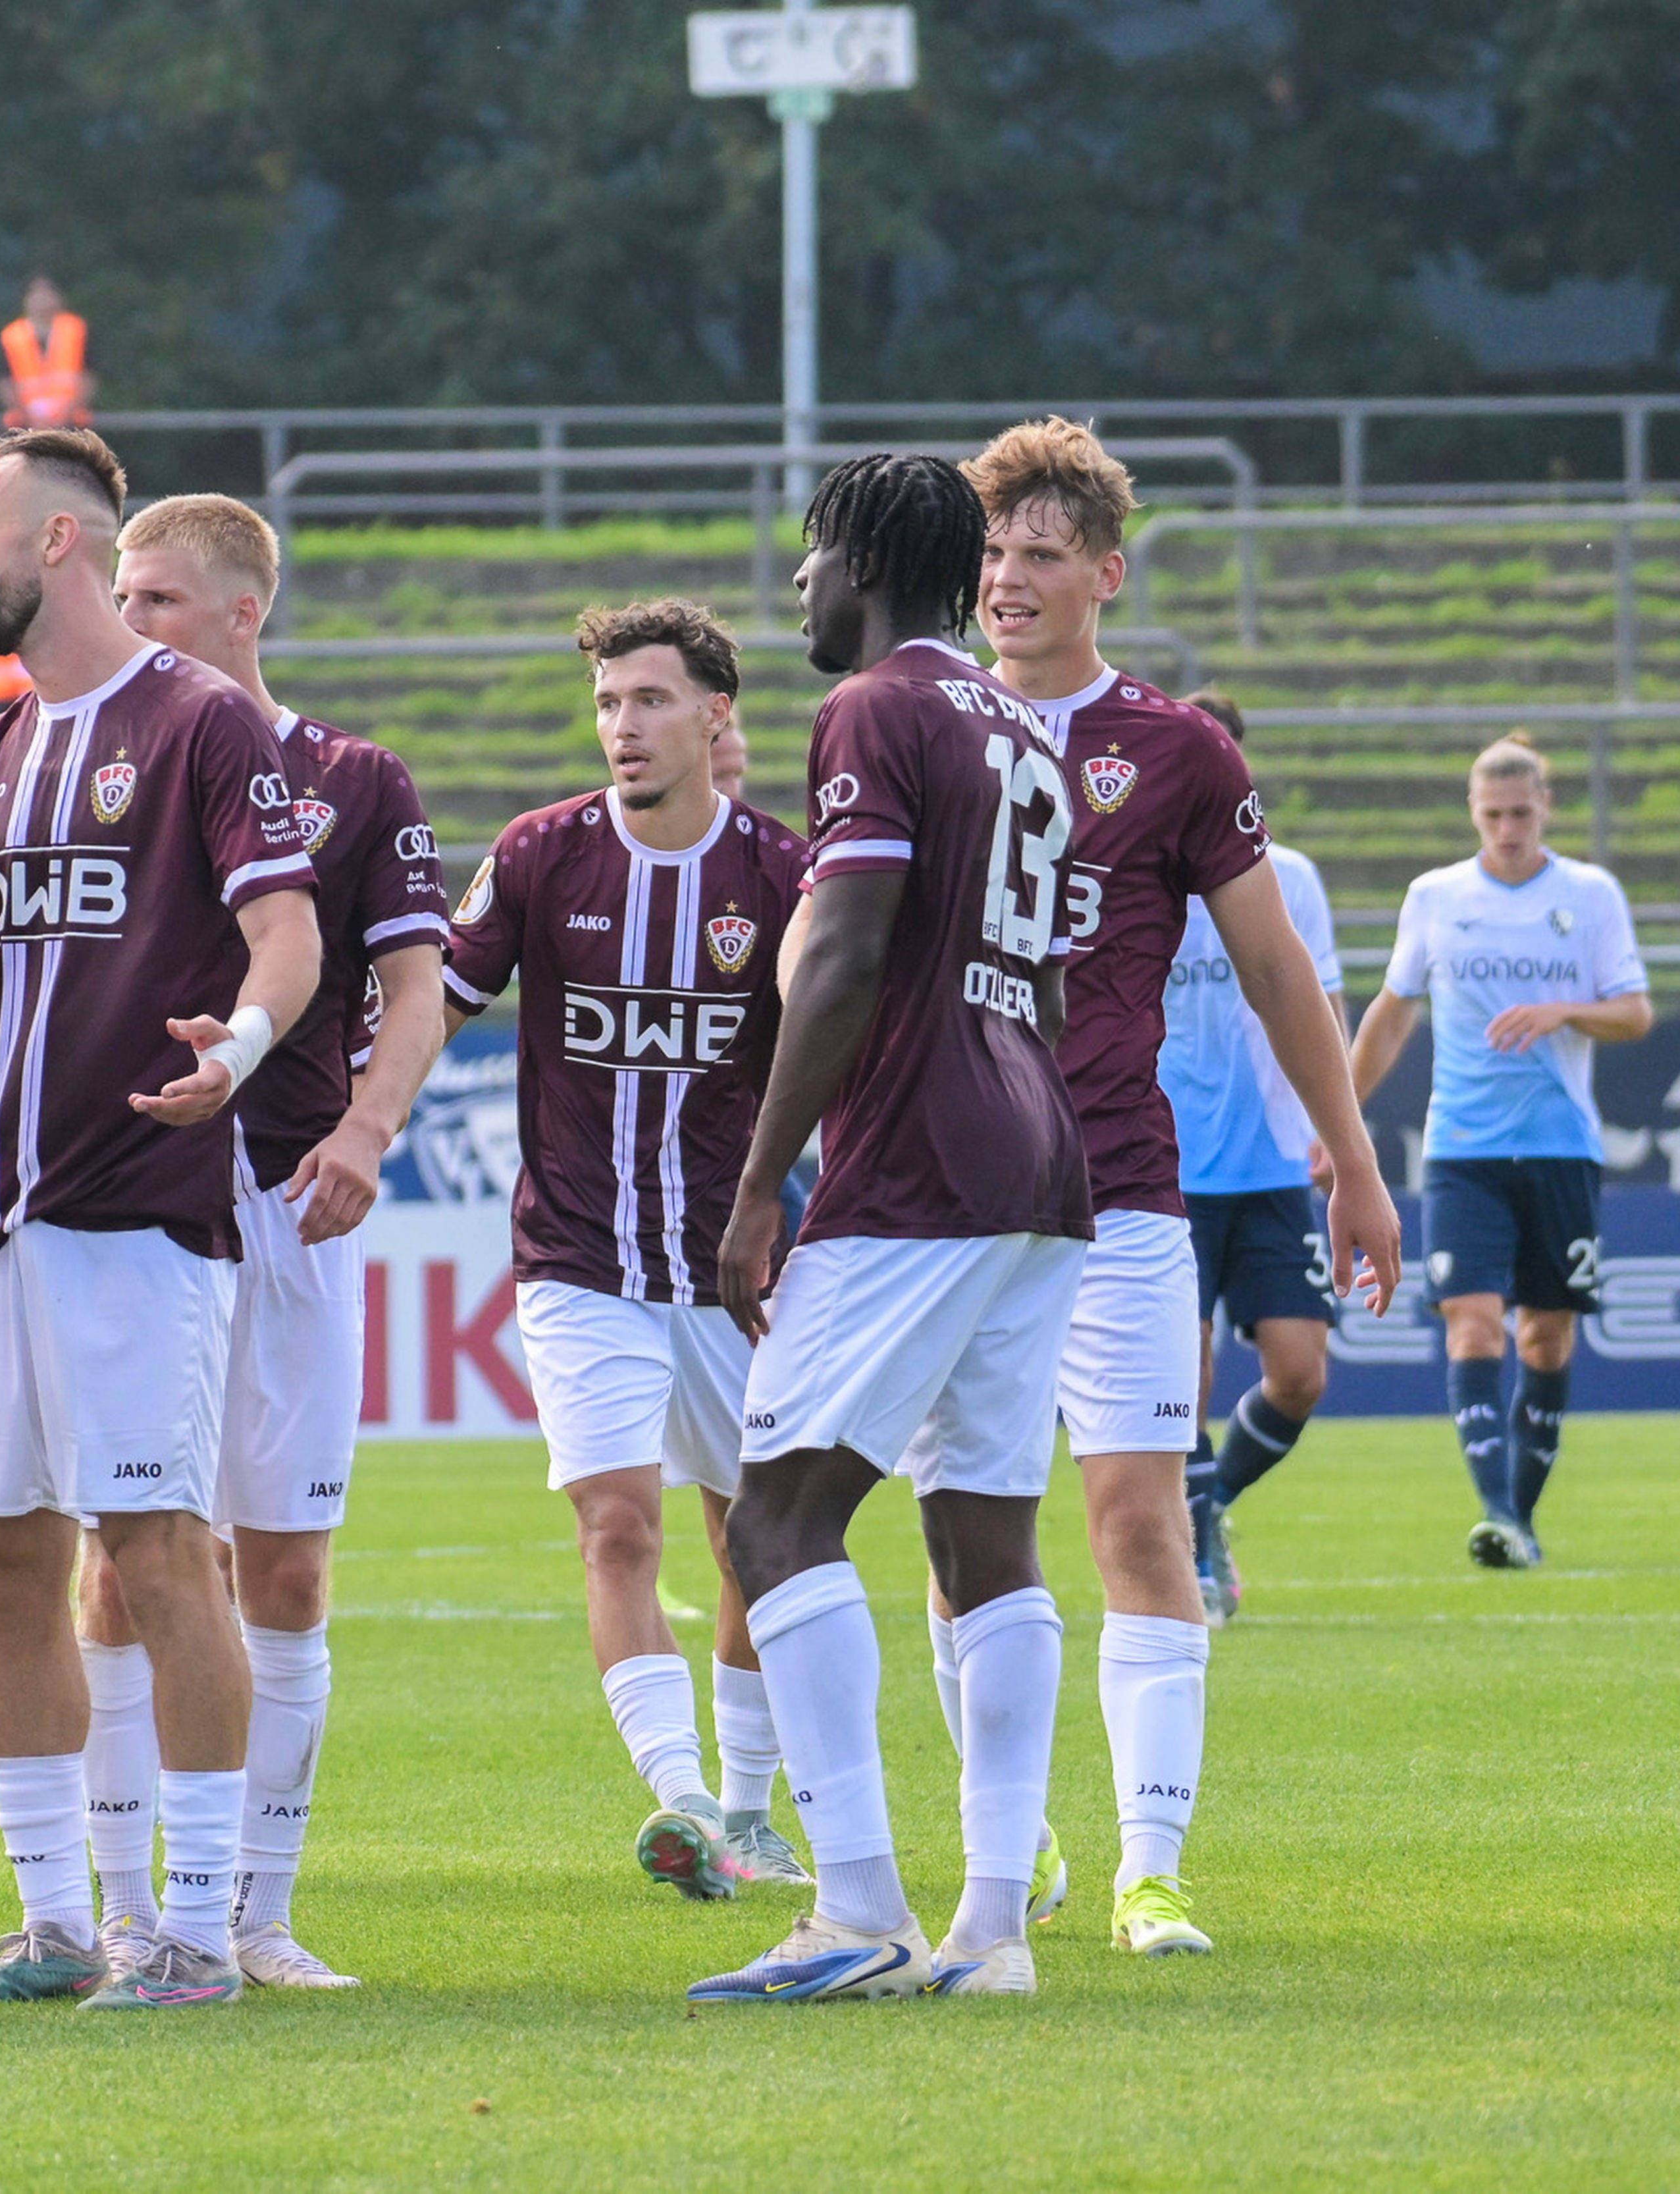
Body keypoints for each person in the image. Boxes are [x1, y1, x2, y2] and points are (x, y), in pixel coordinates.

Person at [957, 418, 1400, 1960]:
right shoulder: (917, 726)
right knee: (972, 1536)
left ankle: (1153, 1872)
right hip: (944, 1202)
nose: (1007, 579)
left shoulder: (1174, 751)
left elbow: (1278, 971)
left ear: (1104, 573)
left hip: (1124, 1197)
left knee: (1139, 1522)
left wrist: (1349, 1161)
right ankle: (1008, 1851)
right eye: (992, 552)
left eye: (1038, 554)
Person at [0, 427, 321, 2014]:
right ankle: (58, 1922)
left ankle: (200, 1936)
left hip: (141, 1214)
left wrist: (244, 1043)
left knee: (159, 1553)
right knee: (4, 1558)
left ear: (62, 542)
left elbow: (280, 934)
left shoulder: (204, 727)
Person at [689, 452, 1089, 2006]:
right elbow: (1047, 980)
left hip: (919, 1160)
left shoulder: (875, 711)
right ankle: (991, 1928)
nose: (797, 587)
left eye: (807, 556)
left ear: (859, 555)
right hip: (1037, 1154)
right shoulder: (1017, 725)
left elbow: (845, 952)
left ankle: (852, 1906)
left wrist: (754, 1184)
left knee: (774, 1520)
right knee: (983, 1532)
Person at [72, 493, 452, 1989]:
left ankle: (252, 1915)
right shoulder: (96, 770)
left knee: (284, 1570)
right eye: (120, 593)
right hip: (129, 1201)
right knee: (122, 1562)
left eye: (156, 598)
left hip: (292, 1200)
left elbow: (415, 988)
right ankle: (116, 1913)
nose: (130, 619)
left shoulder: (355, 780)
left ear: (243, 611)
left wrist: (364, 1132)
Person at [440, 597, 817, 1911]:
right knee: (616, 1523)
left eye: (648, 700)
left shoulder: (783, 875)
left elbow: (847, 1044)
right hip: (577, 1257)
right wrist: (351, 1115)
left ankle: (757, 1811)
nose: (621, 726)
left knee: (756, 1531)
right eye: (606, 703)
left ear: (717, 716)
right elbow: (436, 997)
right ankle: (687, 1802)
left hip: (732, 1270)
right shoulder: (540, 855)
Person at [1351, 736, 1649, 1568]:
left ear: (1545, 806)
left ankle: (1517, 1519)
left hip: (1559, 1146)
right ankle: (1494, 1512)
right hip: (1462, 1147)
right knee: (1472, 1324)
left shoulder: (1588, 894)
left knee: (1544, 1339)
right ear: (1471, 812)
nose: (1507, 830)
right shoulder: (1436, 896)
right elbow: (1391, 1009)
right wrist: (1337, 1114)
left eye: (1520, 813)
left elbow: (1631, 1013)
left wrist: (1560, 1011)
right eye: (1491, 815)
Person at [1162, 689, 1348, 1623]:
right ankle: (1196, 1550)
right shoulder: (1139, 870)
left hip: (1273, 1165)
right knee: (1179, 1375)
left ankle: (1208, 1507)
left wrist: (1335, 1121)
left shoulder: (1291, 877)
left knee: (1301, 1370)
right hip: (1166, 1169)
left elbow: (1322, 1000)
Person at [0, 277, 93, 428]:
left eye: (47, 294)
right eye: (37, 295)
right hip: (25, 423)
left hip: (71, 422)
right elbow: (4, 383)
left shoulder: (76, 331)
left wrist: (67, 413)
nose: (42, 301)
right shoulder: (12, 336)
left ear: (59, 298)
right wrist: (28, 417)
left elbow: (88, 377)